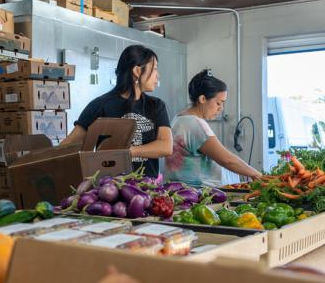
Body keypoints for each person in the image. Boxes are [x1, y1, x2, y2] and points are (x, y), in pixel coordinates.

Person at [61, 45, 173, 177]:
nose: (157, 75)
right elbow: (69, 145)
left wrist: (128, 152)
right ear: (137, 71)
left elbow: (166, 146)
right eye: (154, 69)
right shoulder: (100, 105)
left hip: (147, 191)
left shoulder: (156, 105)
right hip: (109, 191)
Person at [165, 69, 262, 187]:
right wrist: (257, 174)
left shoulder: (179, 118)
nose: (221, 109)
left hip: (182, 190)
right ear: (202, 99)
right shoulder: (194, 124)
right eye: (218, 103)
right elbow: (227, 159)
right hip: (199, 194)